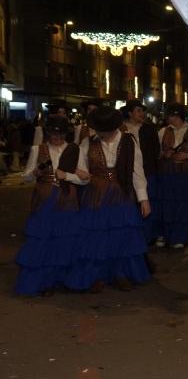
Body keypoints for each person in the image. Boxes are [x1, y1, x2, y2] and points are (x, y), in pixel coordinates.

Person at [67, 106, 152, 292]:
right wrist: (77, 174)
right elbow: (80, 172)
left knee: (122, 236)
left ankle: (121, 273)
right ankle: (97, 275)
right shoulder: (87, 143)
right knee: (97, 237)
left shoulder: (130, 142)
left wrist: (143, 199)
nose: (99, 133)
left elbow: (137, 172)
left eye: (103, 130)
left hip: (122, 194)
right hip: (95, 195)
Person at [14, 116, 87, 296]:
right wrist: (35, 172)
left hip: (67, 198)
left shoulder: (75, 150)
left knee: (66, 240)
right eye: (53, 133)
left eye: (60, 133)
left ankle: (63, 278)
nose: (57, 137)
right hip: (45, 200)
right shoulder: (36, 149)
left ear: (66, 134)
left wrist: (68, 177)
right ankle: (45, 281)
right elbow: (25, 178)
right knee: (43, 240)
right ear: (48, 133)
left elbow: (85, 179)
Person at [155, 104, 188, 250]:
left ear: (178, 116)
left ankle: (181, 237)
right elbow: (156, 152)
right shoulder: (163, 131)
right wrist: (164, 155)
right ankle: (168, 236)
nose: (168, 118)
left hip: (186, 175)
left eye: (170, 115)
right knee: (168, 206)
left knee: (184, 206)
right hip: (168, 174)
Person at [124, 101, 161, 243]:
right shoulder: (122, 129)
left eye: (142, 111)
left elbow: (155, 151)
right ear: (130, 113)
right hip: (128, 173)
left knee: (148, 202)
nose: (142, 114)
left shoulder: (149, 129)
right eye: (138, 111)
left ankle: (148, 235)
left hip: (147, 171)